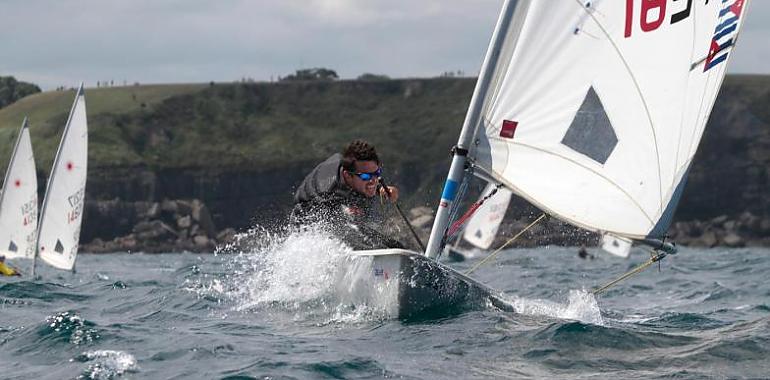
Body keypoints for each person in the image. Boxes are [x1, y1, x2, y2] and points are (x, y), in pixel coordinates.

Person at [291, 139, 405, 250]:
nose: (374, 180)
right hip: (308, 221)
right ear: (347, 175)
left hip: (339, 214)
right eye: (366, 176)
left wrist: (381, 190)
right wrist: (346, 211)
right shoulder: (327, 190)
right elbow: (333, 225)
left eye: (377, 173)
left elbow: (367, 180)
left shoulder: (353, 170)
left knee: (395, 246)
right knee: (366, 247)